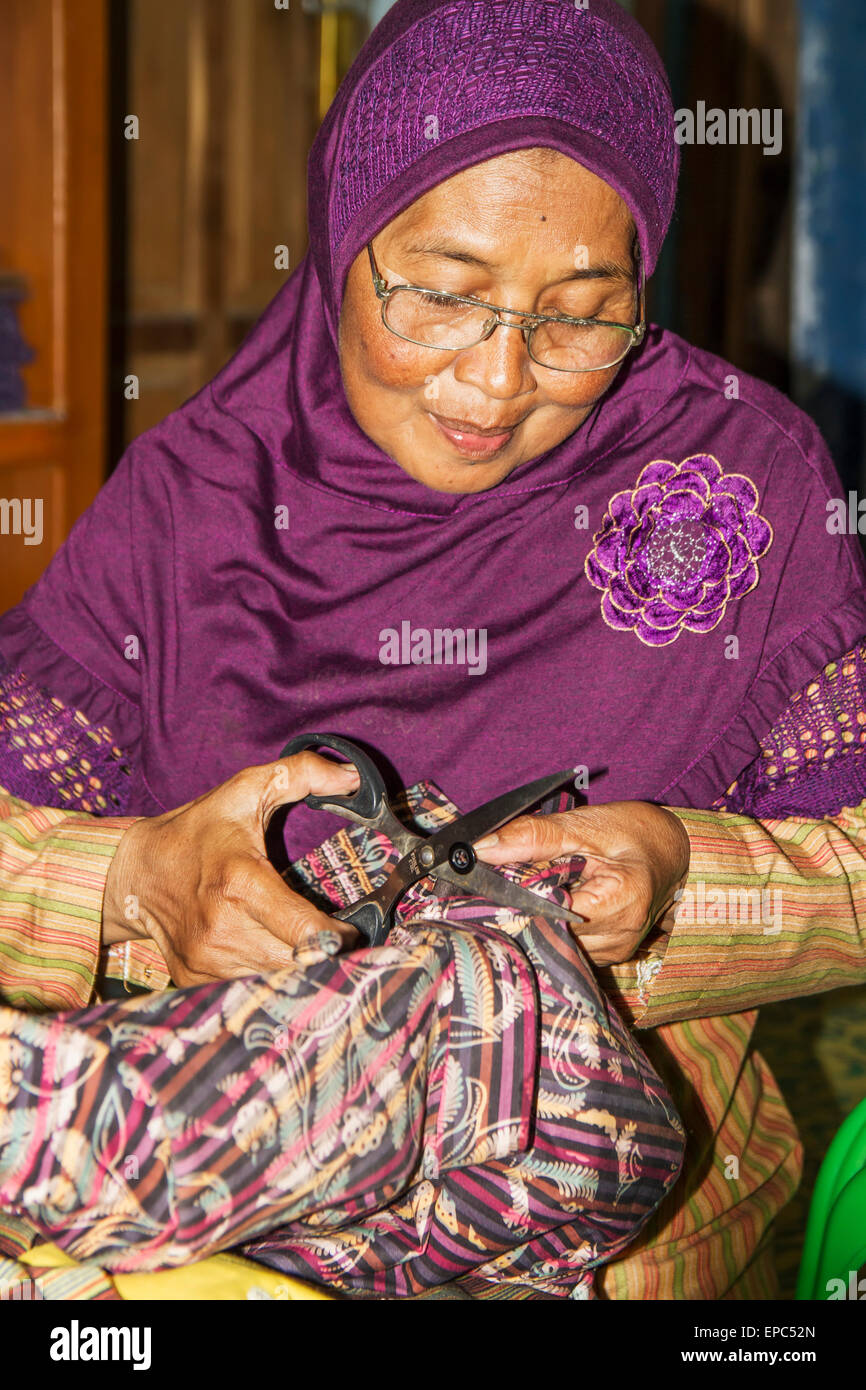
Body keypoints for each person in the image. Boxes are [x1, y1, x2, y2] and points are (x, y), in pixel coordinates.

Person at [1, 0, 865, 1297]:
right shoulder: (194, 497)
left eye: (582, 313)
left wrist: (681, 877)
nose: (497, 376)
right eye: (441, 299)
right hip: (233, 1217)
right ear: (342, 240)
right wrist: (135, 879)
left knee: (476, 984)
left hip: (592, 1204)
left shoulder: (743, 479)